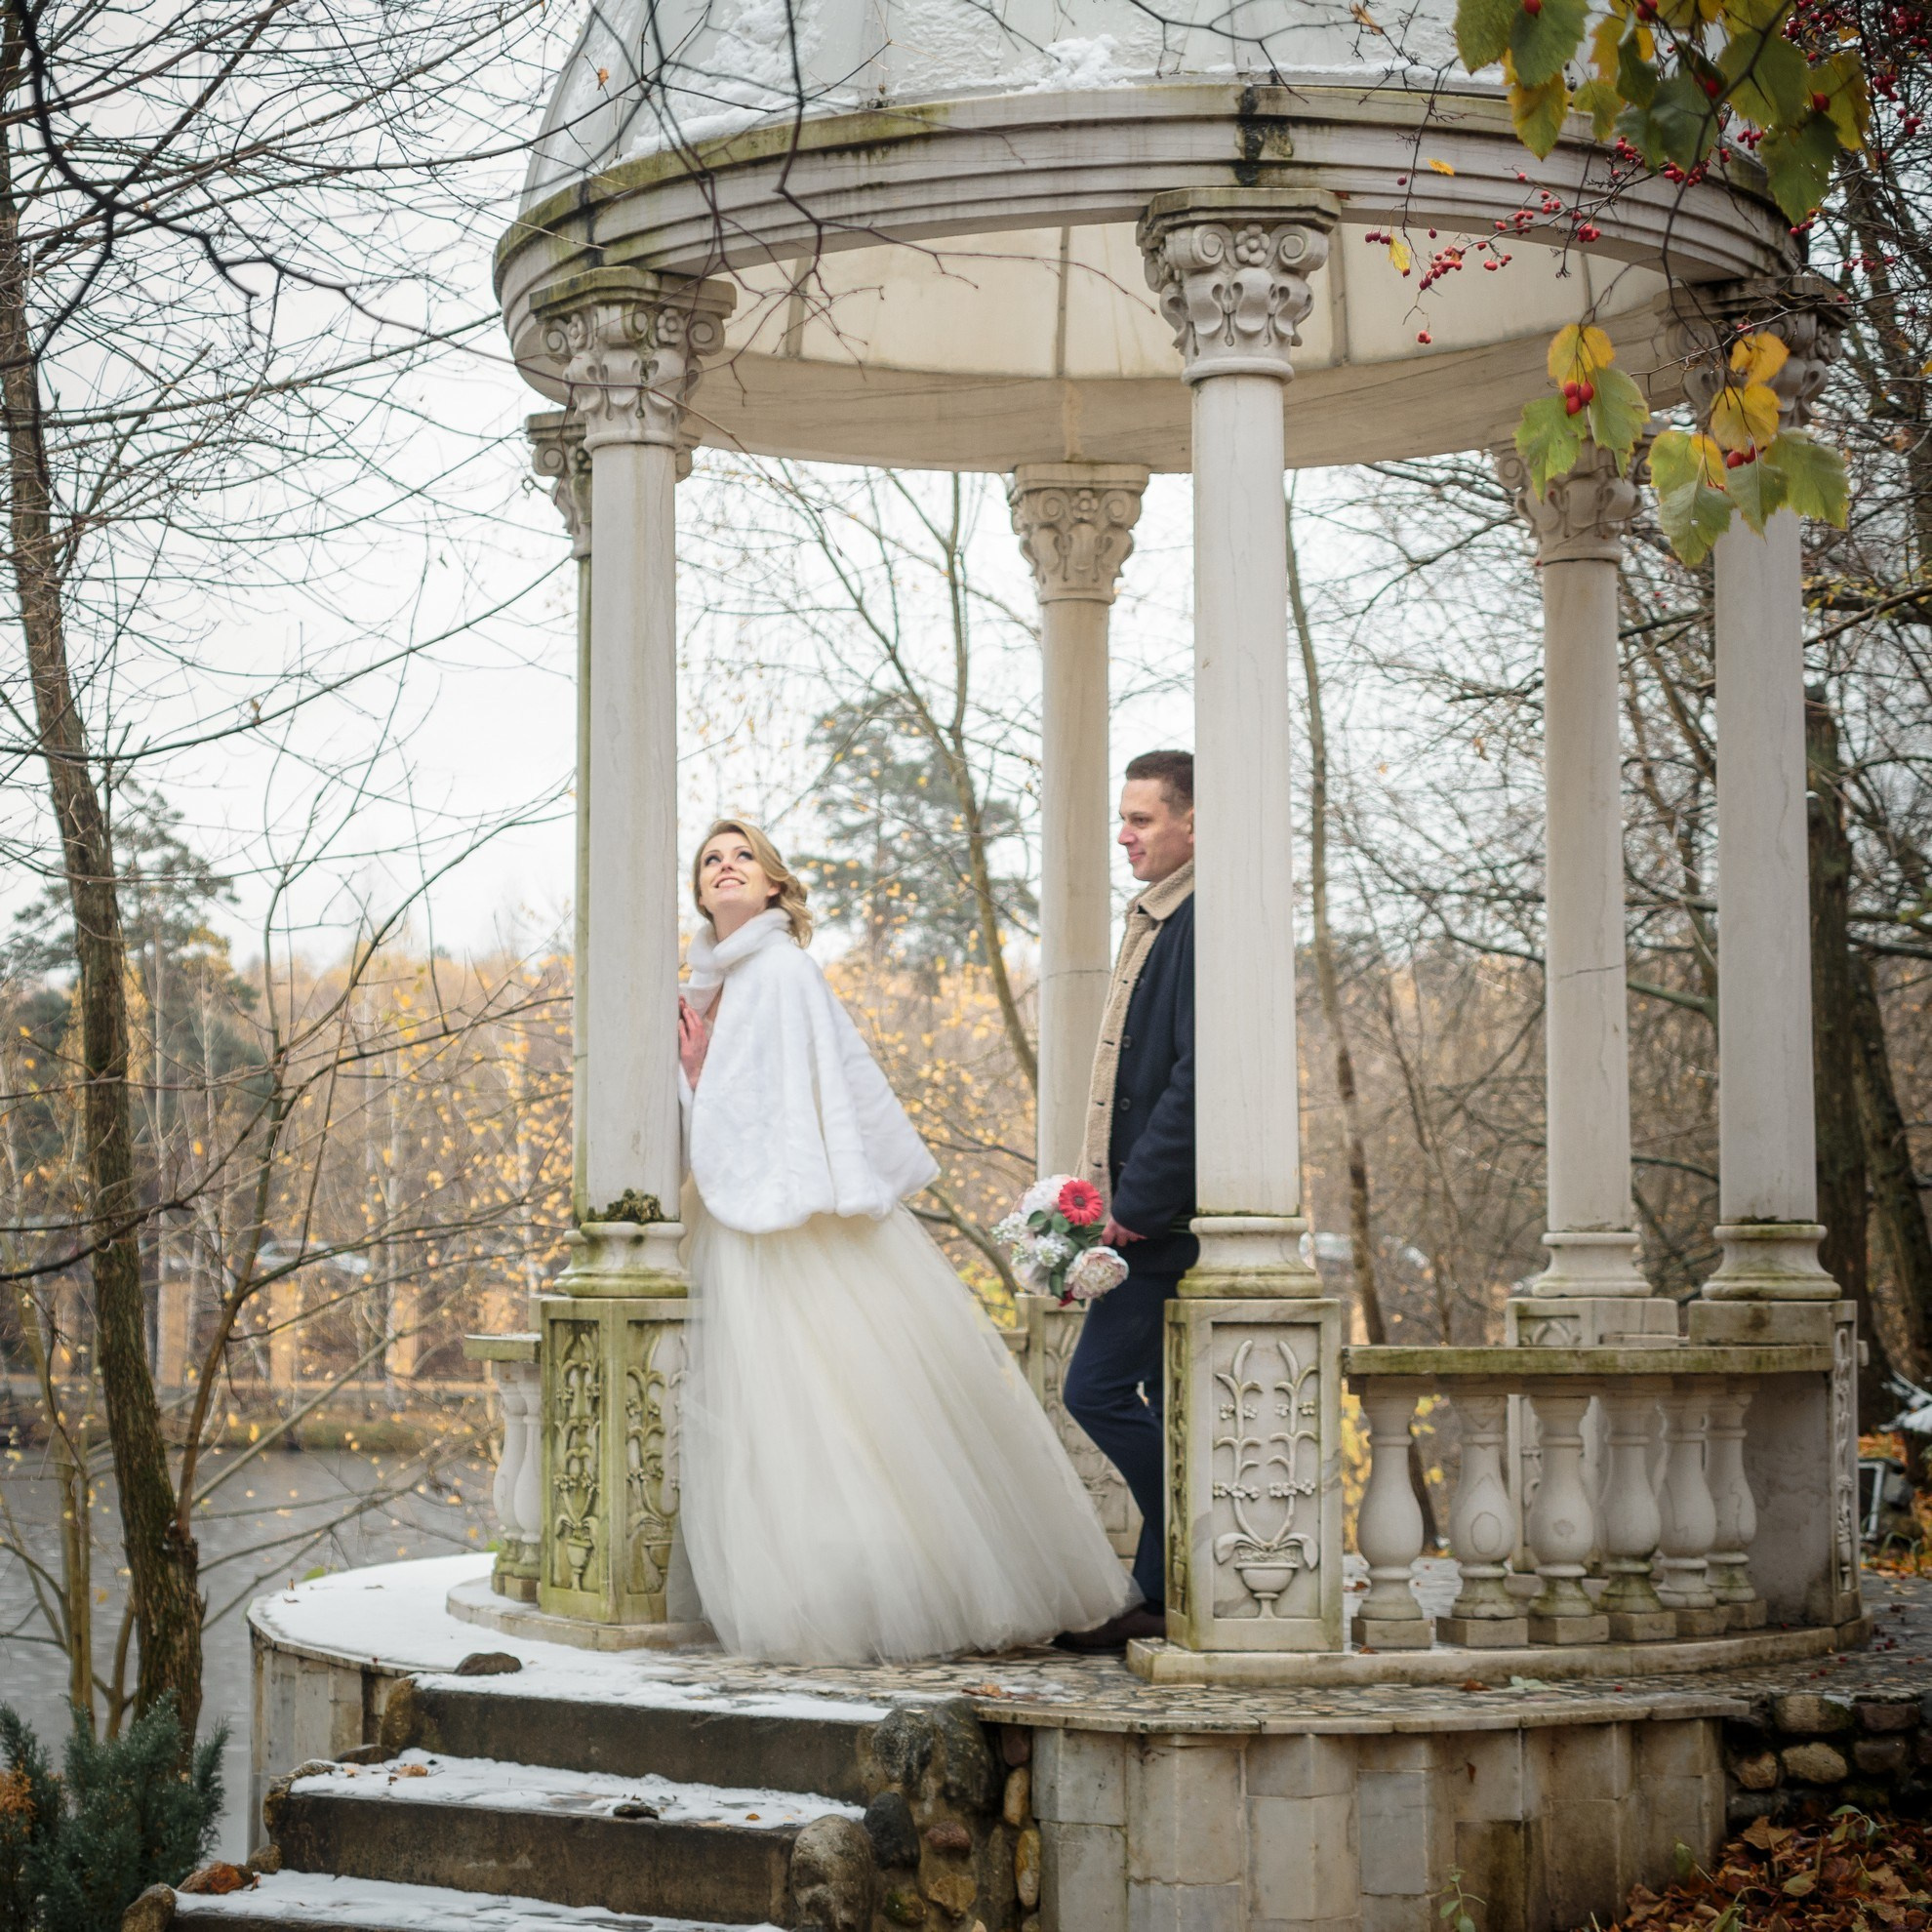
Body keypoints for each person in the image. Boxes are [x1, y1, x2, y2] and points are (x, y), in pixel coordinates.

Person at [673, 818, 1134, 1665]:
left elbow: (780, 1108)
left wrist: (701, 1080)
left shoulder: (779, 972)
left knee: (832, 1407)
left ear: (774, 885)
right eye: (711, 860)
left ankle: (868, 1598)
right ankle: (828, 1585)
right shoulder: (722, 983)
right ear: (700, 890)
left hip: (791, 1227)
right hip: (745, 1217)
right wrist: (702, 1075)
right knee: (784, 1418)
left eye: (744, 858)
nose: (727, 868)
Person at [1056, 749, 1195, 1652]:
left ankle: (1184, 1536)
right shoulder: (1157, 917)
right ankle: (1153, 1587)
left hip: (1163, 1222)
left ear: (1193, 822)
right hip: (1136, 1216)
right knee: (1120, 1390)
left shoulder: (1199, 919)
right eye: (1124, 816)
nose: (1124, 834)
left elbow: (1194, 1079)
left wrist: (1134, 1201)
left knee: (1096, 1389)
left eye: (1141, 818)